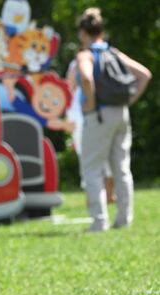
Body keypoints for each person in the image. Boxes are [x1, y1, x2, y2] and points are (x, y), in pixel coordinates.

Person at [76, 7, 151, 231]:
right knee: (121, 167)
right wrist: (129, 102)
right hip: (121, 114)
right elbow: (145, 75)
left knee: (92, 168)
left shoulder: (86, 55)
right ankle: (124, 219)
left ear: (83, 33)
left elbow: (87, 78)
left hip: (98, 115)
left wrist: (90, 102)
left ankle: (99, 221)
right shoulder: (114, 53)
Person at [65, 60, 116, 204]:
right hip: (79, 124)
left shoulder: (97, 69)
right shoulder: (75, 68)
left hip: (93, 121)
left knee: (104, 159)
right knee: (86, 161)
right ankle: (92, 196)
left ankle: (109, 195)